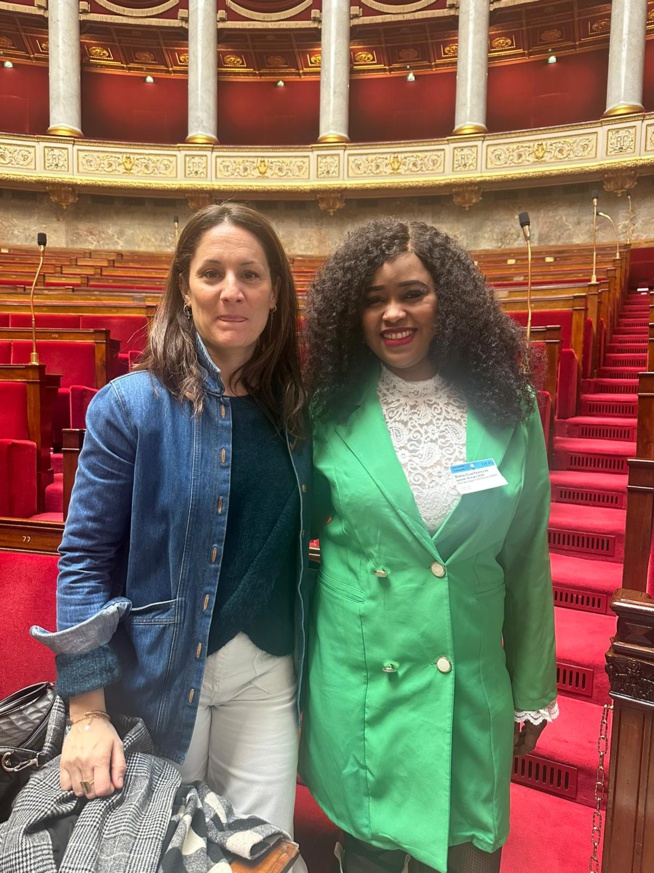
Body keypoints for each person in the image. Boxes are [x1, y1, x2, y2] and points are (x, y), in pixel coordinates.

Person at [31, 204, 311, 868]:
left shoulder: (299, 409)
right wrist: (87, 710)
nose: (231, 290)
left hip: (267, 678)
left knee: (254, 855)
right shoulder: (129, 404)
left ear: (275, 293)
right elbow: (84, 559)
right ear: (185, 287)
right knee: (154, 852)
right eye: (211, 272)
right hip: (157, 673)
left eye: (250, 273)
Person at [299, 218, 558, 873]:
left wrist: (533, 684)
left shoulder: (509, 403)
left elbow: (526, 554)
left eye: (412, 292)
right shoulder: (325, 409)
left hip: (470, 681)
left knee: (475, 852)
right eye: (372, 299)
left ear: (450, 299)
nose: (392, 313)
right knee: (368, 856)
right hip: (368, 684)